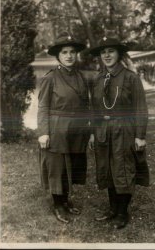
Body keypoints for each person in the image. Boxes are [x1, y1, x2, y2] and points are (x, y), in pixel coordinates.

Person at [89, 37, 149, 229]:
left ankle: (122, 212)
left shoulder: (131, 78)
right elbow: (94, 109)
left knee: (122, 169)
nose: (106, 55)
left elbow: (141, 108)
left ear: (119, 53)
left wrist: (140, 136)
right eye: (103, 52)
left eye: (111, 51)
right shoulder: (98, 79)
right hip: (102, 131)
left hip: (124, 130)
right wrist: (92, 132)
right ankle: (113, 208)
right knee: (107, 168)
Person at [37, 34, 90, 223]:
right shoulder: (50, 78)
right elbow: (43, 106)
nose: (69, 55)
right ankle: (58, 205)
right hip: (57, 128)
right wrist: (43, 132)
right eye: (64, 52)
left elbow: (86, 105)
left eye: (72, 52)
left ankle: (66, 201)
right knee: (57, 167)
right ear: (58, 56)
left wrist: (88, 130)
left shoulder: (80, 77)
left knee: (71, 166)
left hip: (77, 129)